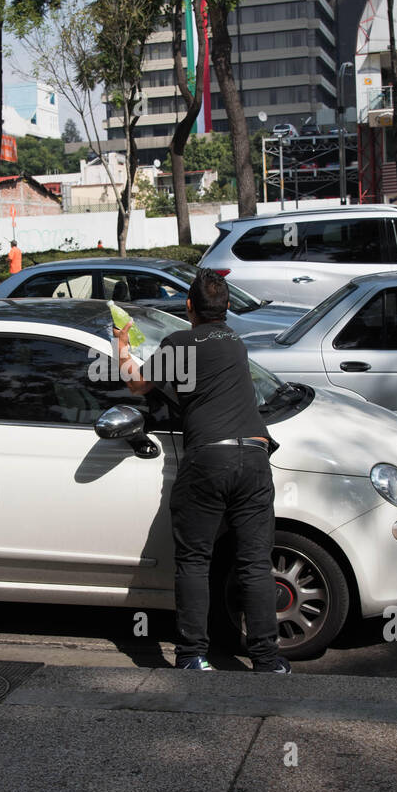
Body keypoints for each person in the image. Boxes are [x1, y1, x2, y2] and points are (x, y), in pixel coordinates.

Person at [113, 268, 290, 674]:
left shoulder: (180, 342)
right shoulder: (236, 344)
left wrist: (123, 344)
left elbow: (136, 383)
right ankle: (267, 660)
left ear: (189, 306)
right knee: (255, 564)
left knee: (194, 560)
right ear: (227, 307)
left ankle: (193, 655)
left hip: (210, 459)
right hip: (256, 456)